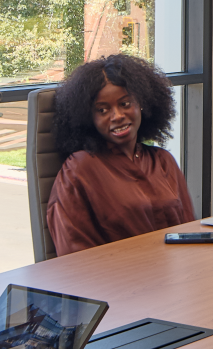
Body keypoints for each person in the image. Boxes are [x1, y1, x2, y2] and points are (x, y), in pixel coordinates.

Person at [45, 53, 196, 255]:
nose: (117, 116)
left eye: (125, 104)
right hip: (115, 281)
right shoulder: (80, 169)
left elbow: (189, 232)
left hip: (175, 276)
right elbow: (73, 254)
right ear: (88, 118)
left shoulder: (163, 161)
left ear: (142, 104)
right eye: (102, 110)